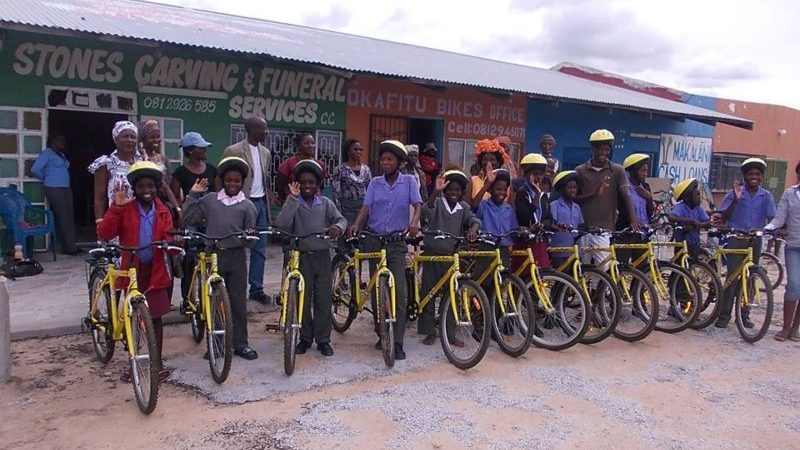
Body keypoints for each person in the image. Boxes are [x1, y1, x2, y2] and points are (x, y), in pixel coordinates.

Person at [96, 161, 174, 381]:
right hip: (133, 268)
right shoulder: (126, 208)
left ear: (157, 187)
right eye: (141, 187)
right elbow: (105, 233)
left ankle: (157, 363)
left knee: (156, 318)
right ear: (134, 189)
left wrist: (172, 242)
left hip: (156, 270)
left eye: (151, 186)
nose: (146, 190)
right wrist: (116, 207)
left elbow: (169, 235)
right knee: (133, 318)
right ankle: (134, 363)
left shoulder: (163, 210)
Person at [347, 140, 422, 360]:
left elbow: (417, 205)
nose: (385, 163)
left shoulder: (409, 182)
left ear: (400, 162)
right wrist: (356, 224)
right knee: (378, 291)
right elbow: (366, 207)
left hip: (396, 243)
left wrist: (414, 222)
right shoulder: (375, 183)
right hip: (374, 240)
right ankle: (381, 334)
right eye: (383, 159)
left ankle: (397, 342)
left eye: (390, 159)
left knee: (398, 291)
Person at [183, 157, 259, 360]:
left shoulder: (247, 206)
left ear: (242, 182)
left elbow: (251, 240)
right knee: (214, 301)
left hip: (236, 257)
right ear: (222, 181)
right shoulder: (210, 200)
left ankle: (240, 344)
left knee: (238, 302)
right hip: (213, 255)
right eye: (228, 180)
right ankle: (216, 344)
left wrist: (249, 235)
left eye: (237, 181)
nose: (232, 184)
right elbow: (188, 219)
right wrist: (192, 195)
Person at [275, 160, 347, 356]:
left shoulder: (325, 203)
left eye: (311, 182)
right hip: (301, 257)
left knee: (323, 300)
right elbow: (282, 224)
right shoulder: (294, 203)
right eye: (303, 182)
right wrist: (292, 198)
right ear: (296, 183)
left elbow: (341, 220)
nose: (307, 186)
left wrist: (337, 227)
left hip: (323, 256)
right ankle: (305, 337)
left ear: (318, 184)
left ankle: (323, 339)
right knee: (303, 299)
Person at [419, 170, 480, 345]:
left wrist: (473, 229)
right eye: (450, 190)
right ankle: (429, 332)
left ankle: (449, 333)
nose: (454, 193)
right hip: (432, 255)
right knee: (429, 293)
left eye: (457, 190)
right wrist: (435, 191)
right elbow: (426, 211)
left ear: (462, 192)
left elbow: (474, 220)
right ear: (445, 191)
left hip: (452, 257)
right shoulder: (438, 202)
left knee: (453, 295)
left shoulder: (464, 207)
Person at [714, 158, 776, 329]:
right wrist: (736, 199)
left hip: (755, 240)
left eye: (758, 174)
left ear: (762, 177)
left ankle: (743, 315)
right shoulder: (734, 193)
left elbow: (773, 218)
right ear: (745, 176)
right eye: (751, 174)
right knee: (733, 277)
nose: (754, 177)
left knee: (751, 278)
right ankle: (724, 315)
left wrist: (771, 229)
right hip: (736, 239)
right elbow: (722, 217)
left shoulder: (766, 196)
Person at [222, 117, 272, 305]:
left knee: (260, 248)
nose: (267, 132)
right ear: (252, 129)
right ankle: (232, 288)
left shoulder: (266, 152)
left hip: (260, 203)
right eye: (263, 128)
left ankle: (256, 288)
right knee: (236, 245)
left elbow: (263, 178)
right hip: (241, 203)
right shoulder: (234, 151)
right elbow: (222, 176)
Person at [575, 129, 638, 267]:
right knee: (584, 267)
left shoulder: (617, 170)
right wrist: (593, 194)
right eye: (600, 149)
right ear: (592, 149)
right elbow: (575, 198)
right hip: (584, 228)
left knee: (605, 267)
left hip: (605, 229)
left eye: (607, 149)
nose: (603, 153)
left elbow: (625, 193)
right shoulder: (580, 170)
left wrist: (633, 219)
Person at [171, 132, 219, 308]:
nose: (205, 150)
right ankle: (188, 300)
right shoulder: (180, 173)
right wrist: (179, 221)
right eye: (201, 147)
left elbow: (218, 196)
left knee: (212, 260)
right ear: (190, 151)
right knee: (189, 262)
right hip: (190, 221)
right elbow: (175, 198)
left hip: (210, 221)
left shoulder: (212, 170)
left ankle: (212, 298)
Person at [765, 162, 800, 341]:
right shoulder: (790, 194)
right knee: (794, 285)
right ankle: (785, 328)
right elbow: (779, 218)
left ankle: (795, 329)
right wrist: (767, 228)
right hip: (794, 246)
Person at [30, 133, 80, 255]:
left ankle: (72, 245)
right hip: (53, 187)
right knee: (62, 216)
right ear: (53, 141)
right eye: (60, 140)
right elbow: (34, 169)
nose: (63, 142)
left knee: (69, 217)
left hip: (65, 187)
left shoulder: (61, 155)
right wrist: (46, 178)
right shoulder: (47, 153)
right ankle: (67, 248)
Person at [469, 168, 520, 282]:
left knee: (503, 280)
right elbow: (474, 204)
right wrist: (487, 184)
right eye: (498, 189)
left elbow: (514, 229)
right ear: (491, 190)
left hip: (503, 250)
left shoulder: (509, 209)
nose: (502, 193)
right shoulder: (484, 205)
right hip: (487, 248)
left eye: (504, 190)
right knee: (483, 280)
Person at [88, 121, 144, 223]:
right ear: (116, 139)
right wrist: (99, 223)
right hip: (116, 219)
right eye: (125, 136)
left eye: (133, 137)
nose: (129, 140)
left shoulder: (143, 162)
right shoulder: (106, 163)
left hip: (141, 219)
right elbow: (100, 198)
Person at [512, 153, 550, 268]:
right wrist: (537, 194)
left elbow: (549, 217)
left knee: (542, 271)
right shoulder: (522, 193)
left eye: (541, 174)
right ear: (526, 174)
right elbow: (524, 216)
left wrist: (542, 225)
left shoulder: (544, 196)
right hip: (525, 240)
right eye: (535, 174)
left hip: (539, 240)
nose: (538, 177)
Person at [615, 153, 654, 264]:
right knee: (622, 265)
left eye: (646, 171)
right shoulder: (623, 187)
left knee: (641, 266)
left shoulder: (645, 187)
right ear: (632, 171)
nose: (645, 174)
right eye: (642, 171)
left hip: (643, 234)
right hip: (626, 232)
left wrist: (649, 198)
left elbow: (650, 213)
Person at [138, 120, 180, 220]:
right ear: (143, 139)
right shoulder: (137, 158)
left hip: (161, 204)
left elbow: (166, 186)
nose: (157, 140)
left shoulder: (163, 159)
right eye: (152, 137)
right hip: (141, 204)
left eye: (158, 136)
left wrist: (176, 208)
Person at [544, 171, 584, 269]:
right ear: (562, 189)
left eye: (574, 187)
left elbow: (580, 226)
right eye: (569, 188)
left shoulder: (577, 207)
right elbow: (550, 224)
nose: (573, 190)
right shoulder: (555, 205)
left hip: (574, 250)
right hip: (559, 250)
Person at [276, 132, 328, 204]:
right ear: (299, 146)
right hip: (294, 202)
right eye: (306, 143)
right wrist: (283, 198)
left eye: (312, 143)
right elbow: (281, 182)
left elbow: (321, 184)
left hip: (314, 204)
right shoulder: (288, 163)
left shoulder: (320, 165)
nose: (310, 145)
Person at [331, 138, 371, 226]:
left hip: (362, 209)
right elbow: (336, 193)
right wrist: (339, 214)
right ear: (348, 151)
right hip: (346, 209)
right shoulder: (340, 169)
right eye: (355, 149)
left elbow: (370, 190)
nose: (358, 152)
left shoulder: (366, 169)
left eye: (360, 150)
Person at [669, 178, 711, 260]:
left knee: (695, 262)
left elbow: (708, 222)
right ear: (687, 197)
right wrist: (692, 221)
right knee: (680, 263)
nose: (699, 197)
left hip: (695, 243)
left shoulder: (698, 208)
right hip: (682, 244)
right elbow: (672, 217)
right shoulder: (681, 207)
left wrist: (700, 225)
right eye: (697, 195)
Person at [468, 139, 511, 205]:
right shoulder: (472, 181)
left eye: (492, 159)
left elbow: (511, 207)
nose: (488, 163)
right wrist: (487, 184)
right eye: (484, 159)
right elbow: (468, 207)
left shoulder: (507, 182)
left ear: (498, 162)